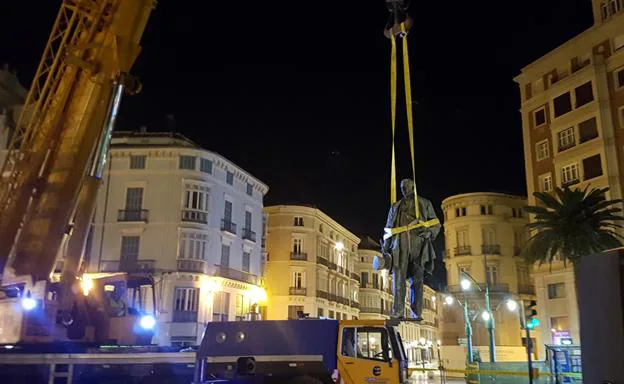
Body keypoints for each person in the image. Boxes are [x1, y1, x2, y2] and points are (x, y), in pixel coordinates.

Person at [374, 178, 441, 320]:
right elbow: (388, 229)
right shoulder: (395, 207)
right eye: (402, 188)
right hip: (400, 247)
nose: (404, 190)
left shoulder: (424, 203)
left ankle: (416, 312)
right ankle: (397, 311)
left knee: (417, 280)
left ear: (413, 188)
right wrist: (385, 250)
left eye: (407, 187)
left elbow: (436, 224)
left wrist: (429, 232)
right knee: (398, 279)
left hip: (419, 246)